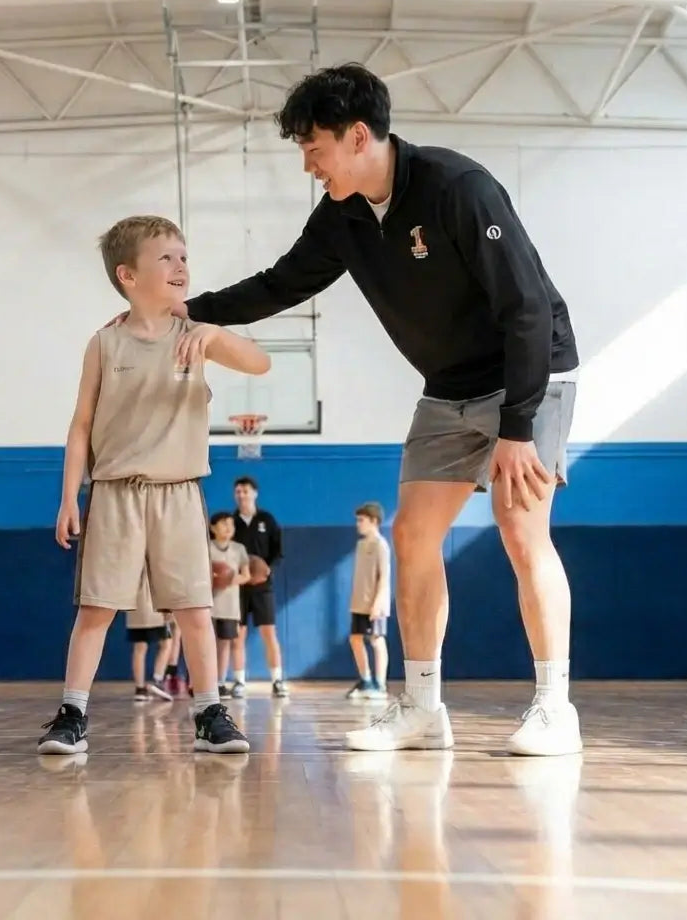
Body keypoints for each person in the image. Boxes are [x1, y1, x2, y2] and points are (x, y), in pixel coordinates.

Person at [179, 63, 582, 757]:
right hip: (447, 387)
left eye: (314, 148)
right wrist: (187, 314)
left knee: (521, 530)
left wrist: (518, 429)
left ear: (358, 136)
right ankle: (423, 708)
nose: (309, 165)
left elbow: (527, 309)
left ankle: (555, 708)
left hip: (530, 375)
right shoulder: (342, 217)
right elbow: (280, 284)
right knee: (414, 536)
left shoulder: (458, 188)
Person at [36, 214, 269, 756]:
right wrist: (70, 495)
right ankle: (73, 714)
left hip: (179, 490)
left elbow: (259, 362)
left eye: (184, 256)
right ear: (128, 276)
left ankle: (210, 711)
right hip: (115, 491)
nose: (180, 266)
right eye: (166, 257)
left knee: (193, 608)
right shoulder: (104, 343)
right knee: (96, 607)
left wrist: (215, 332)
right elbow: (80, 426)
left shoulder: (196, 335)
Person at [230, 476, 287, 698]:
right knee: (238, 635)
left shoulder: (267, 519)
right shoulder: (230, 522)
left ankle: (277, 679)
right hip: (238, 586)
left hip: (263, 586)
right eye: (238, 491)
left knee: (268, 633)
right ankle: (239, 681)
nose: (241, 495)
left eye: (245, 491)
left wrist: (267, 569)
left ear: (255, 493)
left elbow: (278, 551)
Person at [345, 501, 391, 701]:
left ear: (374, 521)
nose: (358, 524)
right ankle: (366, 680)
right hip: (359, 603)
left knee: (377, 640)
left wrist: (378, 603)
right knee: (355, 639)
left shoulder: (381, 545)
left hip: (375, 604)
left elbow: (385, 577)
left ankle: (380, 685)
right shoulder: (361, 544)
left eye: (361, 520)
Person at [207, 510, 251, 697]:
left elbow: (247, 575)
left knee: (224, 644)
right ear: (212, 528)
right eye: (224, 524)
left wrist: (229, 580)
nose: (228, 527)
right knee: (206, 645)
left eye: (231, 524)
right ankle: (202, 682)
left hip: (229, 605)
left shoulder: (239, 549)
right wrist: (213, 579)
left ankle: (220, 682)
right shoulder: (206, 547)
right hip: (208, 604)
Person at [125, 571, 175, 703]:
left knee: (139, 647)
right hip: (154, 606)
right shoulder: (157, 554)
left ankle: (140, 689)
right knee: (167, 643)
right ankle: (157, 680)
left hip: (135, 606)